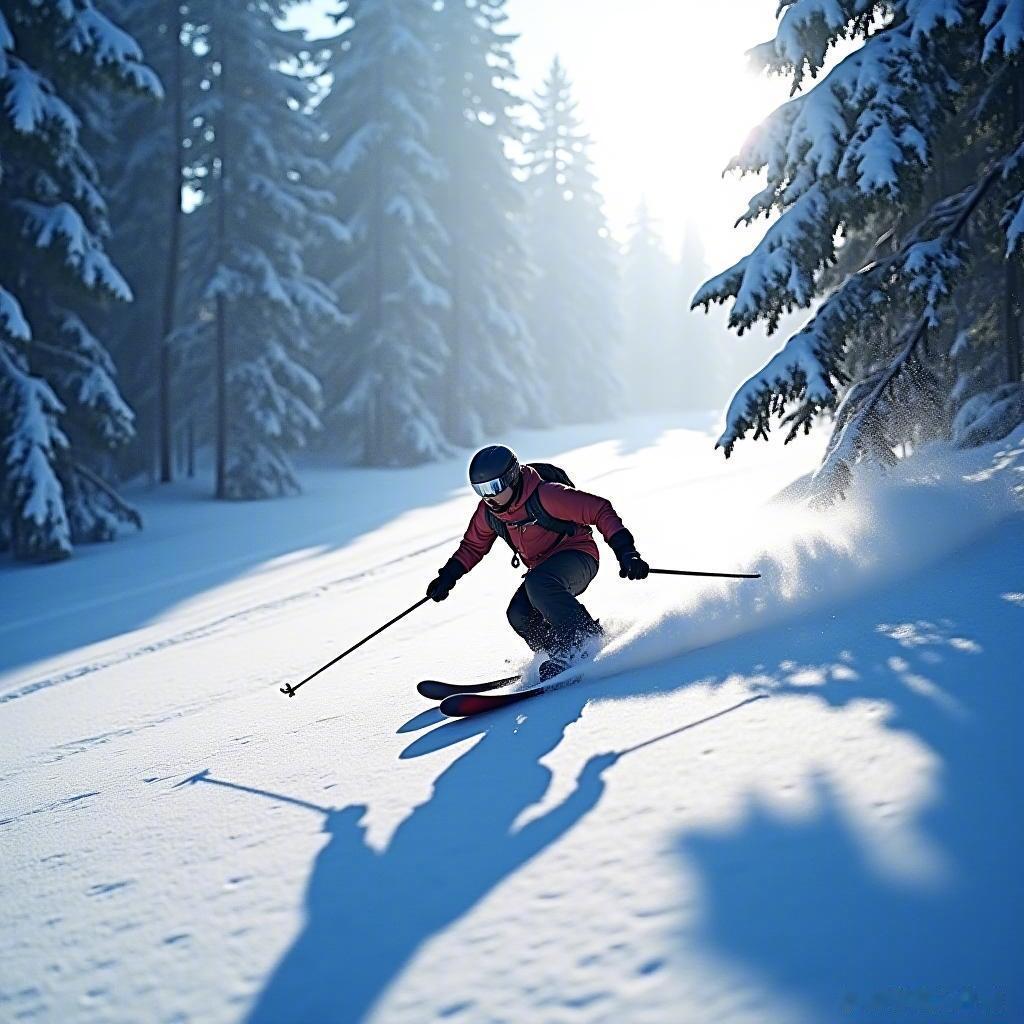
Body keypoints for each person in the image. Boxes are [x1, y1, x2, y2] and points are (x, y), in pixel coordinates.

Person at [426, 445, 650, 681]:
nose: (489, 496)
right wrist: (447, 577)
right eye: (480, 489)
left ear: (512, 477)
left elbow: (599, 509)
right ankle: (555, 654)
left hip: (578, 556)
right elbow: (473, 546)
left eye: (494, 487)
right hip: (542, 572)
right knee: (519, 613)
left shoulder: (547, 495)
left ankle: (582, 642)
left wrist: (627, 552)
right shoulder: (488, 513)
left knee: (539, 583)